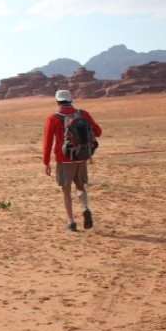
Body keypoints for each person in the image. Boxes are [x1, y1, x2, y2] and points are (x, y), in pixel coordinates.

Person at [43, 89, 103, 231]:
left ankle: (71, 221)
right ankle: (85, 207)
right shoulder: (83, 114)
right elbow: (98, 132)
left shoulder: (53, 118)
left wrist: (46, 162)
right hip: (81, 156)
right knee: (80, 186)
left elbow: (48, 141)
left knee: (66, 190)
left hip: (64, 159)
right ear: (71, 100)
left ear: (57, 101)